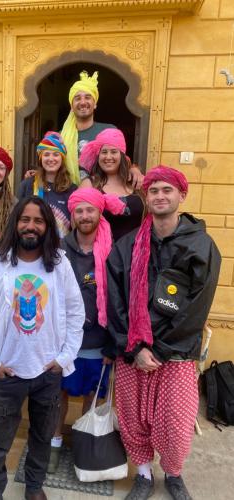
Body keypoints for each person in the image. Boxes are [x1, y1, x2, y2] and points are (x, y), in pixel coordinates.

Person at [106, 166, 221, 500]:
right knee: (132, 419)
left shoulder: (201, 245)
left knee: (174, 423)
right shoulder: (128, 245)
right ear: (147, 197)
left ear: (181, 196)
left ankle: (173, 473)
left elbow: (197, 307)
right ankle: (143, 475)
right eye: (153, 190)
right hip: (133, 352)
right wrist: (135, 348)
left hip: (176, 355)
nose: (159, 196)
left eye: (166, 190)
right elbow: (115, 300)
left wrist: (162, 350)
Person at [0, 196, 85, 500]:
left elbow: (76, 312)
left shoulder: (59, 264)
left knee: (42, 436)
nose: (31, 226)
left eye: (38, 220)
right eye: (25, 219)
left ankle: (34, 488)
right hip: (7, 371)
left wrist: (65, 357)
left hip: (48, 371)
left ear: (47, 226)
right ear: (15, 223)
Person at [47, 187, 126, 473]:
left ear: (99, 212)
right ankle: (55, 443)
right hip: (63, 340)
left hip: (98, 341)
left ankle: (84, 445)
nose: (84, 215)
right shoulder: (58, 249)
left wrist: (113, 344)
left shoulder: (113, 251)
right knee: (58, 396)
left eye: (89, 209)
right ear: (72, 214)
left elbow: (120, 298)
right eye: (78, 210)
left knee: (94, 397)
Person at [60, 70, 143, 187]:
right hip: (67, 193)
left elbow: (122, 160)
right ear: (72, 106)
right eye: (77, 98)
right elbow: (52, 163)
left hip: (102, 192)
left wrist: (134, 169)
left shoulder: (109, 130)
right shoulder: (61, 136)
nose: (83, 102)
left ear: (95, 104)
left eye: (88, 97)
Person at [80, 127, 144, 241]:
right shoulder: (89, 184)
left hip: (135, 254)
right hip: (104, 255)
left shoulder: (136, 181)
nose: (108, 157)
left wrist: (134, 168)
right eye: (104, 152)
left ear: (122, 155)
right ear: (98, 156)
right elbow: (78, 223)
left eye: (114, 152)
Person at [18, 131, 77, 238]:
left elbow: (75, 226)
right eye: (46, 154)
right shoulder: (27, 185)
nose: (51, 159)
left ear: (62, 158)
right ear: (41, 159)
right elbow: (18, 218)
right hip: (33, 245)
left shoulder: (72, 189)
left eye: (56, 154)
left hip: (62, 248)